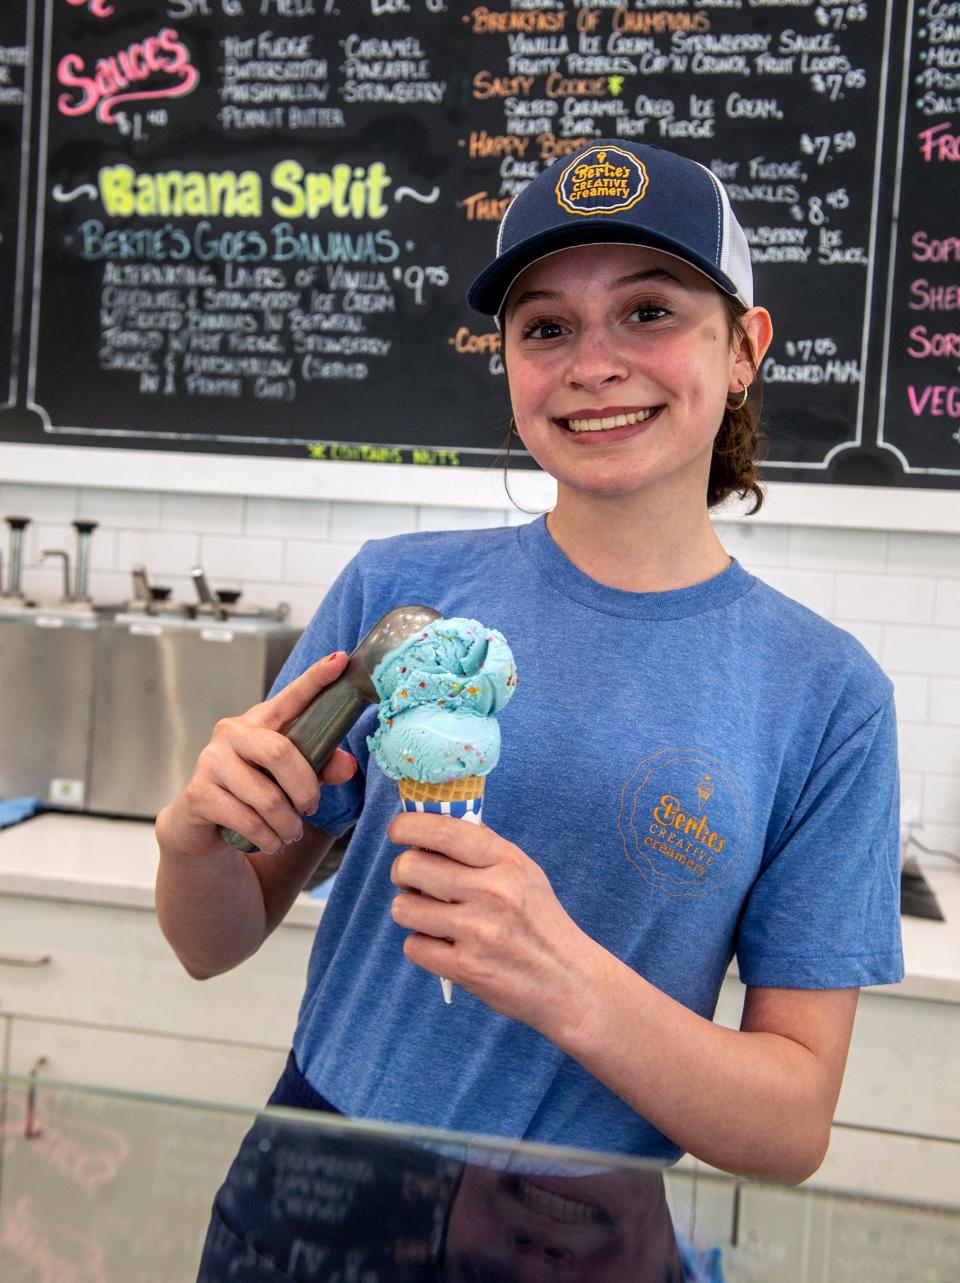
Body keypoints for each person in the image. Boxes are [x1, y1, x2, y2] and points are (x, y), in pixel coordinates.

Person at [156, 141, 903, 1211]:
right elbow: (211, 940)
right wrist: (191, 839)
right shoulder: (400, 599)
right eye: (545, 325)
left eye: (649, 311)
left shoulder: (827, 695)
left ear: (744, 347)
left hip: (574, 1229)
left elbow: (789, 1126)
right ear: (508, 362)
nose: (592, 362)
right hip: (315, 1179)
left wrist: (565, 978)